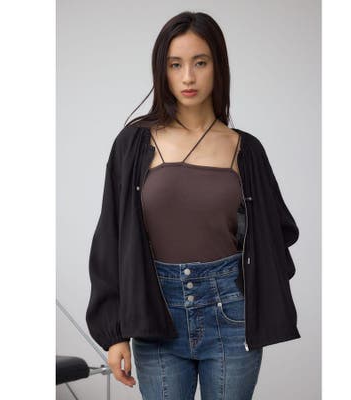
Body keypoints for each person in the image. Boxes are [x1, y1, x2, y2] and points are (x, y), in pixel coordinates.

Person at [86, 11, 300, 400]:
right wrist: (114, 333)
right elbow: (110, 240)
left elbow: (275, 235)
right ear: (162, 71)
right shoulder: (133, 144)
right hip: (155, 313)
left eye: (200, 63)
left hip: (231, 314)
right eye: (175, 64)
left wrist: (255, 289)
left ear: (218, 67)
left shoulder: (245, 149)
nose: (188, 77)